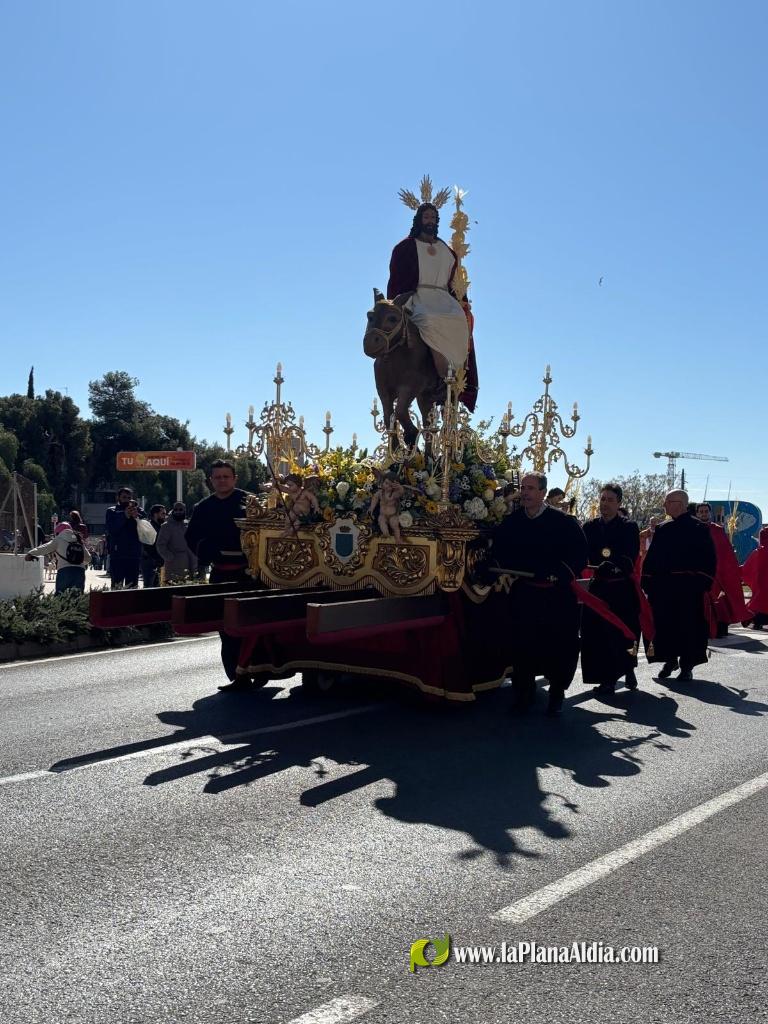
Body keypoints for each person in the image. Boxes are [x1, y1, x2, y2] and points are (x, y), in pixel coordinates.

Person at [487, 471, 588, 715]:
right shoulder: (512, 522)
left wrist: (559, 574)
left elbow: (578, 555)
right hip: (525, 595)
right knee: (522, 644)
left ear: (543, 492)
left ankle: (556, 694)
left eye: (531, 488)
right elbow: (501, 550)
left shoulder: (563, 522)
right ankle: (524, 693)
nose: (525, 492)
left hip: (555, 597)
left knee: (558, 646)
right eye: (523, 487)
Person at [387, 202, 478, 409]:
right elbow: (398, 279)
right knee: (428, 319)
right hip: (418, 296)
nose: (430, 221)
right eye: (427, 217)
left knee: (459, 321)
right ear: (419, 219)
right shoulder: (406, 247)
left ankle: (452, 378)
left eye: (433, 218)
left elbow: (454, 282)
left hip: (444, 298)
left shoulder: (446, 251)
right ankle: (440, 372)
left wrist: (462, 302)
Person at [185, 460, 253, 691]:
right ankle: (236, 675)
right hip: (220, 575)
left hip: (250, 576)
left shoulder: (252, 502)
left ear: (235, 478)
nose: (222, 480)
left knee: (251, 624)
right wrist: (208, 552)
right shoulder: (203, 507)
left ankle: (256, 668)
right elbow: (191, 537)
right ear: (211, 480)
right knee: (226, 627)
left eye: (226, 476)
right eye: (217, 477)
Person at [642, 489, 716, 681]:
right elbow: (652, 559)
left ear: (680, 504)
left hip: (689, 590)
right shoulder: (663, 529)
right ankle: (670, 659)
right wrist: (647, 580)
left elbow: (709, 560)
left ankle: (687, 665)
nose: (664, 505)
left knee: (689, 627)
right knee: (665, 626)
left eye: (668, 501)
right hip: (664, 589)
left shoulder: (699, 529)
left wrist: (701, 584)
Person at [581, 483, 641, 693]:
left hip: (620, 589)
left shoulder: (628, 526)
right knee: (597, 634)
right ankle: (606, 677)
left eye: (610, 500)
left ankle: (628, 669)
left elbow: (629, 555)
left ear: (619, 503)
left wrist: (615, 566)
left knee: (623, 633)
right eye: (602, 499)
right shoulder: (589, 527)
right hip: (598, 588)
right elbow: (582, 552)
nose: (605, 504)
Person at [695, 501, 749, 637]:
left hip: (718, 573)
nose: (703, 514)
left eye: (706, 511)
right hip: (700, 572)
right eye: (701, 512)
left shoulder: (717, 530)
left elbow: (725, 552)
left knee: (719, 601)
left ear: (710, 513)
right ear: (697, 514)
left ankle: (720, 627)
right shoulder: (693, 529)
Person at [26, 521, 91, 593]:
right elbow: (88, 558)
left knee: (61, 597)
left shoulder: (58, 539)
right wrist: (77, 562)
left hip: (64, 571)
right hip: (80, 572)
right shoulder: (78, 540)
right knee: (77, 597)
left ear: (57, 532)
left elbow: (45, 548)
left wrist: (31, 553)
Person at [105, 488, 145, 588]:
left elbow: (146, 530)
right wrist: (124, 516)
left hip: (133, 555)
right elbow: (112, 529)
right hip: (117, 555)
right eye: (124, 497)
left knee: (132, 587)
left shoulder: (139, 511)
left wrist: (137, 517)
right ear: (118, 498)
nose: (126, 500)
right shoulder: (112, 511)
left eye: (129, 497)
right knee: (116, 586)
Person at [156, 502, 198, 583]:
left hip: (188, 563)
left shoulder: (187, 525)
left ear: (184, 511)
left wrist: (194, 562)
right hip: (173, 565)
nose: (178, 511)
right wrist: (170, 557)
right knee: (172, 589)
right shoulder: (166, 526)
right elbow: (160, 545)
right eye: (176, 509)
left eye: (180, 509)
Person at [742, 526, 768, 629]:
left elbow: (748, 567)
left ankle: (756, 621)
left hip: (760, 583)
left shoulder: (759, 551)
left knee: (759, 602)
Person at [140, 504, 167, 587]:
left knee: (159, 587)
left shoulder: (161, 527)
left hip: (159, 562)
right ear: (155, 514)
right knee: (149, 587)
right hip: (150, 562)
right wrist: (158, 558)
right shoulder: (148, 526)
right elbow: (148, 546)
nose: (165, 516)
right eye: (163, 514)